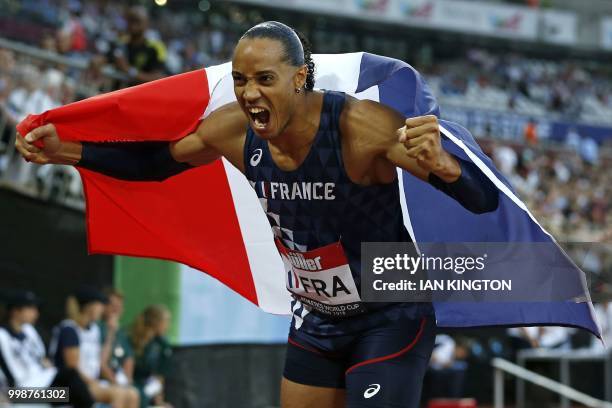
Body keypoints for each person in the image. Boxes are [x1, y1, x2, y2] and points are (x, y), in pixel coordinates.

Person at [15, 21, 499, 408]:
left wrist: (444, 166)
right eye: (241, 80)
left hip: (390, 310)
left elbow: (483, 201)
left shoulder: (362, 129)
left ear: (300, 78)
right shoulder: (232, 130)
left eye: (264, 80)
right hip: (317, 315)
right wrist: (70, 150)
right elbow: (155, 163)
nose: (249, 94)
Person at [0, 290, 94, 407]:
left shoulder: (29, 331)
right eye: (30, 308)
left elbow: (42, 359)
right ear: (15, 311)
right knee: (73, 386)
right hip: (20, 394)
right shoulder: (2, 336)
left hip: (42, 384)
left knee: (74, 391)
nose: (35, 313)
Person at [49, 287, 139, 408]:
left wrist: (110, 334)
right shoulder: (69, 329)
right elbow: (72, 369)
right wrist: (94, 383)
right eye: (100, 305)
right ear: (89, 307)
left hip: (90, 382)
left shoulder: (94, 329)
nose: (102, 309)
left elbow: (101, 360)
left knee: (132, 394)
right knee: (118, 394)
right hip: (68, 386)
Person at [130, 305, 173, 408]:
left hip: (146, 388)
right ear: (155, 322)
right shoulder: (131, 338)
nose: (168, 326)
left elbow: (159, 377)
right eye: (166, 322)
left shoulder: (162, 343)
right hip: (130, 385)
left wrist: (159, 402)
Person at [99, 288, 135, 387]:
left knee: (134, 394)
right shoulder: (96, 328)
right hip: (99, 380)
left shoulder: (123, 334)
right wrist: (115, 383)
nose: (117, 310)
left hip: (117, 381)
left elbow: (128, 361)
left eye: (120, 306)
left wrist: (127, 383)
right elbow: (100, 364)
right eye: (113, 306)